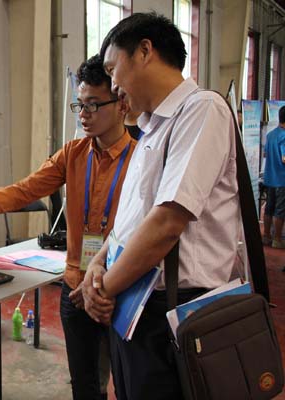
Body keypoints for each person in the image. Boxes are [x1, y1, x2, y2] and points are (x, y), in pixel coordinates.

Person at [0, 55, 136, 400]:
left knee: (123, 382)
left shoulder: (141, 158)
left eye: (93, 105)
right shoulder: (73, 153)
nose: (83, 114)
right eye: (79, 105)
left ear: (121, 104)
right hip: (75, 290)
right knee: (84, 385)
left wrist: (109, 285)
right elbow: (25, 190)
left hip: (118, 293)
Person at [82, 12, 243, 400]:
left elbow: (168, 222)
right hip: (135, 302)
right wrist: (98, 263)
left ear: (144, 51)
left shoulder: (201, 110)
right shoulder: (151, 127)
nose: (113, 85)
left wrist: (103, 289)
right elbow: (133, 219)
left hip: (176, 308)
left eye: (113, 69)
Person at [262, 105, 285, 249]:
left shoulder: (270, 135)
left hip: (269, 177)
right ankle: (277, 239)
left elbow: (265, 154)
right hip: (281, 179)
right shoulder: (284, 136)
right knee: (280, 210)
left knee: (268, 208)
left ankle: (266, 236)